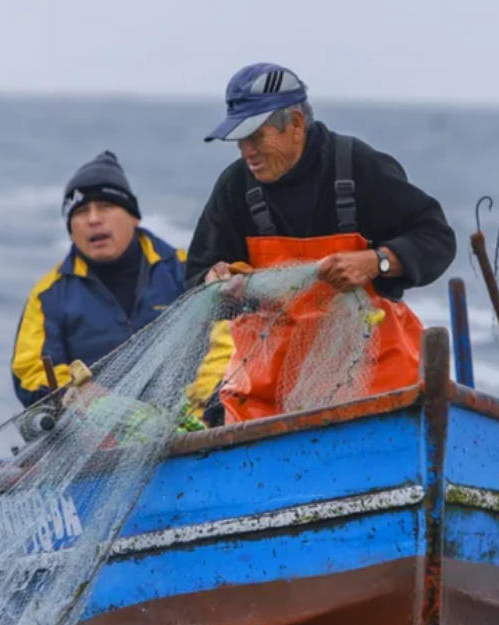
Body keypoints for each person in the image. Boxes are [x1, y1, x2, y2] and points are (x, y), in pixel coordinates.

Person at [185, 63, 457, 424]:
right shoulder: (235, 187)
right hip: (267, 397)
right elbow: (195, 279)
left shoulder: (357, 167)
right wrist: (213, 281)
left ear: (296, 124)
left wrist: (378, 262)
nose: (246, 151)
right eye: (239, 139)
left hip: (378, 386)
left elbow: (436, 236)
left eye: (256, 136)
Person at [12, 151, 187, 408]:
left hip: (191, 423)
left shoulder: (186, 270)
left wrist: (199, 408)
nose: (94, 219)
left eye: (105, 206)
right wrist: (77, 394)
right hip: (92, 432)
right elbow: (29, 370)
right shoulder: (48, 295)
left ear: (134, 216)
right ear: (71, 229)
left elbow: (224, 346)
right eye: (81, 211)